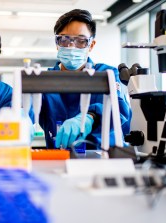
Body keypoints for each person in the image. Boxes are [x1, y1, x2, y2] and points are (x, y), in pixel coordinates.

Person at [39, 9, 132, 149]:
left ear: (91, 45)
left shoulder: (106, 74)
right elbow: (29, 110)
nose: (71, 46)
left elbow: (119, 112)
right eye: (64, 39)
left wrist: (91, 117)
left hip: (103, 159)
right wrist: (20, 117)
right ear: (57, 43)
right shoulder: (44, 81)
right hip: (59, 160)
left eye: (81, 41)